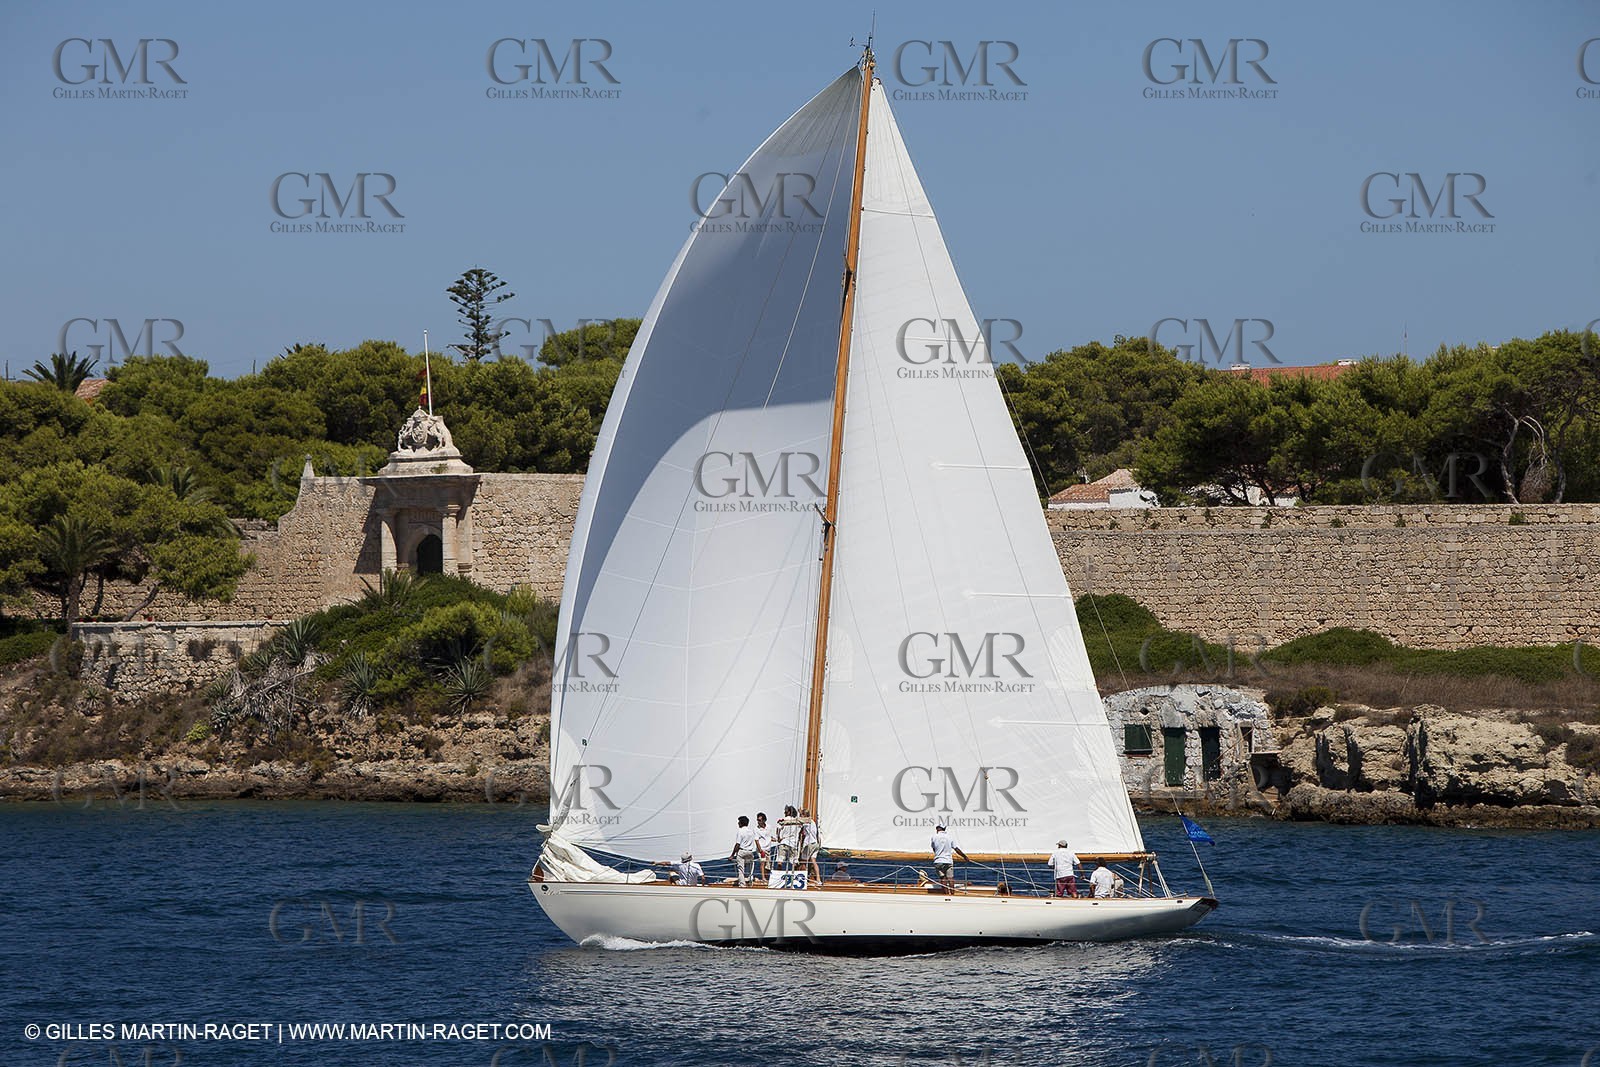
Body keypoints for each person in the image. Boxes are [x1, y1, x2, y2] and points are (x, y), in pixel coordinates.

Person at [930, 823, 970, 893]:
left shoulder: (934, 837)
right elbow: (956, 849)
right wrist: (965, 857)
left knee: (943, 879)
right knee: (950, 878)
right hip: (948, 861)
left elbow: (934, 848)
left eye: (937, 828)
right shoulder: (950, 837)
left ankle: (945, 894)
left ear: (939, 828)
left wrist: (938, 853)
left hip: (938, 860)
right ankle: (952, 894)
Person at [729, 815, 758, 887]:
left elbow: (737, 844)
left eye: (739, 822)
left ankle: (742, 885)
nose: (738, 823)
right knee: (750, 869)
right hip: (750, 852)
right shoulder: (751, 832)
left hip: (742, 852)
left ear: (741, 823)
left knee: (741, 870)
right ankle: (751, 883)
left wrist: (732, 855)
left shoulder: (740, 831)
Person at [774, 805, 802, 871]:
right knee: (794, 861)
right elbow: (801, 827)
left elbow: (778, 829)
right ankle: (794, 875)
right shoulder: (797, 821)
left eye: (785, 812)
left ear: (789, 812)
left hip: (783, 842)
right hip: (793, 843)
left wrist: (778, 838)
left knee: (780, 861)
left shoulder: (783, 820)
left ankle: (778, 875)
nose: (784, 813)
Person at [799, 807, 821, 887]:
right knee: (813, 861)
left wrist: (800, 813)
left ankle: (803, 880)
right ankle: (818, 879)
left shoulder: (806, 822)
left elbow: (799, 821)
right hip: (815, 844)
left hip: (809, 844)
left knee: (803, 861)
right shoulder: (813, 822)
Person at [754, 812, 773, 880]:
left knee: (768, 865)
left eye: (759, 820)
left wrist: (775, 839)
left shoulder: (769, 827)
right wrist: (760, 850)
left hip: (768, 849)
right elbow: (756, 840)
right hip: (761, 849)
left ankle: (767, 878)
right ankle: (763, 878)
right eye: (757, 820)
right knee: (763, 862)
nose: (758, 822)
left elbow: (769, 836)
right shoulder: (756, 829)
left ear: (764, 820)